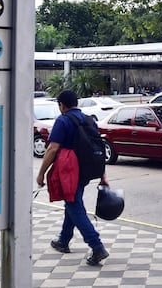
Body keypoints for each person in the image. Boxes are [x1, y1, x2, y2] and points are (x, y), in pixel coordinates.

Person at [36, 90, 110, 266]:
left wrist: (41, 173)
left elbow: (53, 149)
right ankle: (63, 240)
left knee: (74, 205)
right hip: (87, 170)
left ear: (62, 105)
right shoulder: (88, 119)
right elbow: (96, 148)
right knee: (72, 202)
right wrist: (103, 174)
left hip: (69, 171)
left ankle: (97, 246)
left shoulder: (63, 120)